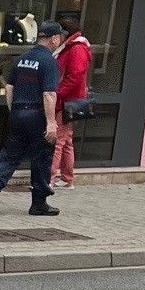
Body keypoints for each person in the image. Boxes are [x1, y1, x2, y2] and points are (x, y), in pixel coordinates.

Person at [0, 20, 62, 217]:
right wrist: (51, 122)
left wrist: (14, 111)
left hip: (18, 112)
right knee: (42, 157)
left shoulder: (22, 59)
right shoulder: (49, 61)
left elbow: (9, 87)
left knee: (10, 155)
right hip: (36, 114)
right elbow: (49, 94)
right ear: (54, 39)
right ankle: (39, 203)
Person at [52, 10, 92, 190]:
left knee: (58, 140)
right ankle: (67, 178)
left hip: (67, 102)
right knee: (66, 140)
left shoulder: (76, 49)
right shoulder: (72, 47)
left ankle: (49, 179)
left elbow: (74, 76)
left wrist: (57, 94)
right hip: (69, 100)